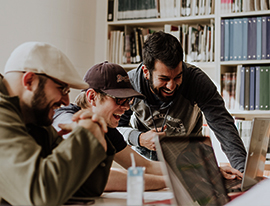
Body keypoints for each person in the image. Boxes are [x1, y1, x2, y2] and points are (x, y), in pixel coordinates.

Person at [0, 42, 114, 205]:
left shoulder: (35, 118)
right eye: (62, 89)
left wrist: (95, 133)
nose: (66, 101)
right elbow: (41, 195)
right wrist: (86, 136)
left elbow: (86, 188)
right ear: (29, 81)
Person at [117, 31, 247, 174]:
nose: (171, 86)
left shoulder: (197, 81)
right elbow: (116, 129)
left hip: (190, 165)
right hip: (146, 166)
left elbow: (224, 127)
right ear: (146, 72)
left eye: (178, 77)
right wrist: (139, 138)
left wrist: (242, 172)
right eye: (164, 79)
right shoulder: (130, 85)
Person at [53, 61, 167, 191]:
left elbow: (144, 166)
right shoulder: (64, 117)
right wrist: (168, 182)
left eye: (128, 100)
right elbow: (97, 177)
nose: (126, 107)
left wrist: (186, 171)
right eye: (119, 99)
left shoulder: (106, 127)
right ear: (92, 96)